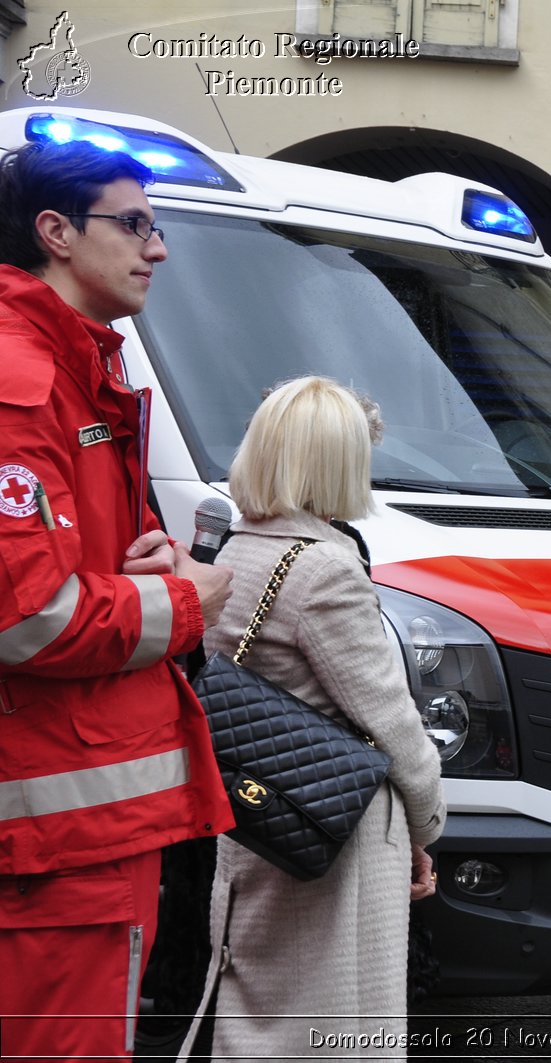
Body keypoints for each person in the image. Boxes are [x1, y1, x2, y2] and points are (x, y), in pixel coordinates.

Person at [0, 140, 236, 1061]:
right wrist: (188, 598)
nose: (158, 247)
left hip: (69, 832)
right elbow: (25, 617)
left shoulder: (63, 366)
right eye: (133, 222)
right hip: (56, 845)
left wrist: (151, 562)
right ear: (55, 233)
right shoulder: (25, 384)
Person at [181, 377, 446, 1058]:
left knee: (258, 1011)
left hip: (260, 815)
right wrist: (428, 820)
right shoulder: (325, 566)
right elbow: (388, 717)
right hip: (339, 831)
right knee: (338, 1028)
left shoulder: (236, 550)